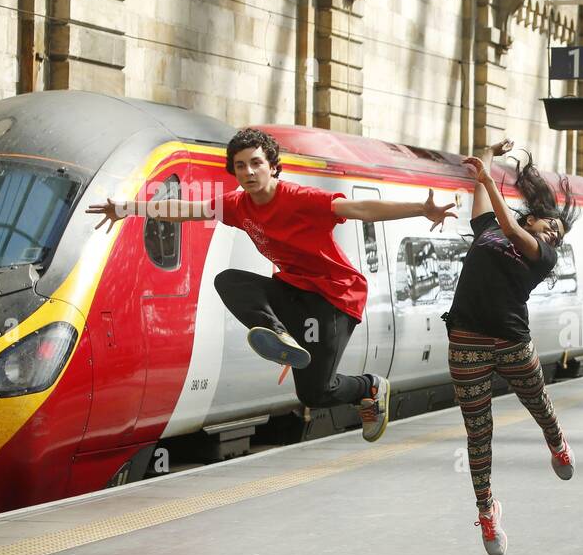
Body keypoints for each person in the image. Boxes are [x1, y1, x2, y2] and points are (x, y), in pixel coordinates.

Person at [87, 127, 457, 443]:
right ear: (234, 172)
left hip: (333, 298)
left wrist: (420, 209)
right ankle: (278, 335)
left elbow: (359, 210)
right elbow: (186, 209)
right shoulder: (238, 205)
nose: (248, 172)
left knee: (316, 392)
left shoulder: (299, 199)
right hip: (292, 291)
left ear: (272, 165)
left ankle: (369, 387)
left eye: (256, 163)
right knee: (228, 280)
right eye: (240, 166)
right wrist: (126, 209)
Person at [444, 140, 579, 555]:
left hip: (510, 341)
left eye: (560, 231)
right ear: (535, 216)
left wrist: (488, 178)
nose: (556, 231)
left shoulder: (543, 255)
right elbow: (483, 198)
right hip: (466, 338)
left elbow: (512, 229)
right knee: (478, 433)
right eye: (551, 224)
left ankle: (556, 441)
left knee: (538, 402)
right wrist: (484, 156)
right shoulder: (486, 229)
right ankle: (487, 510)